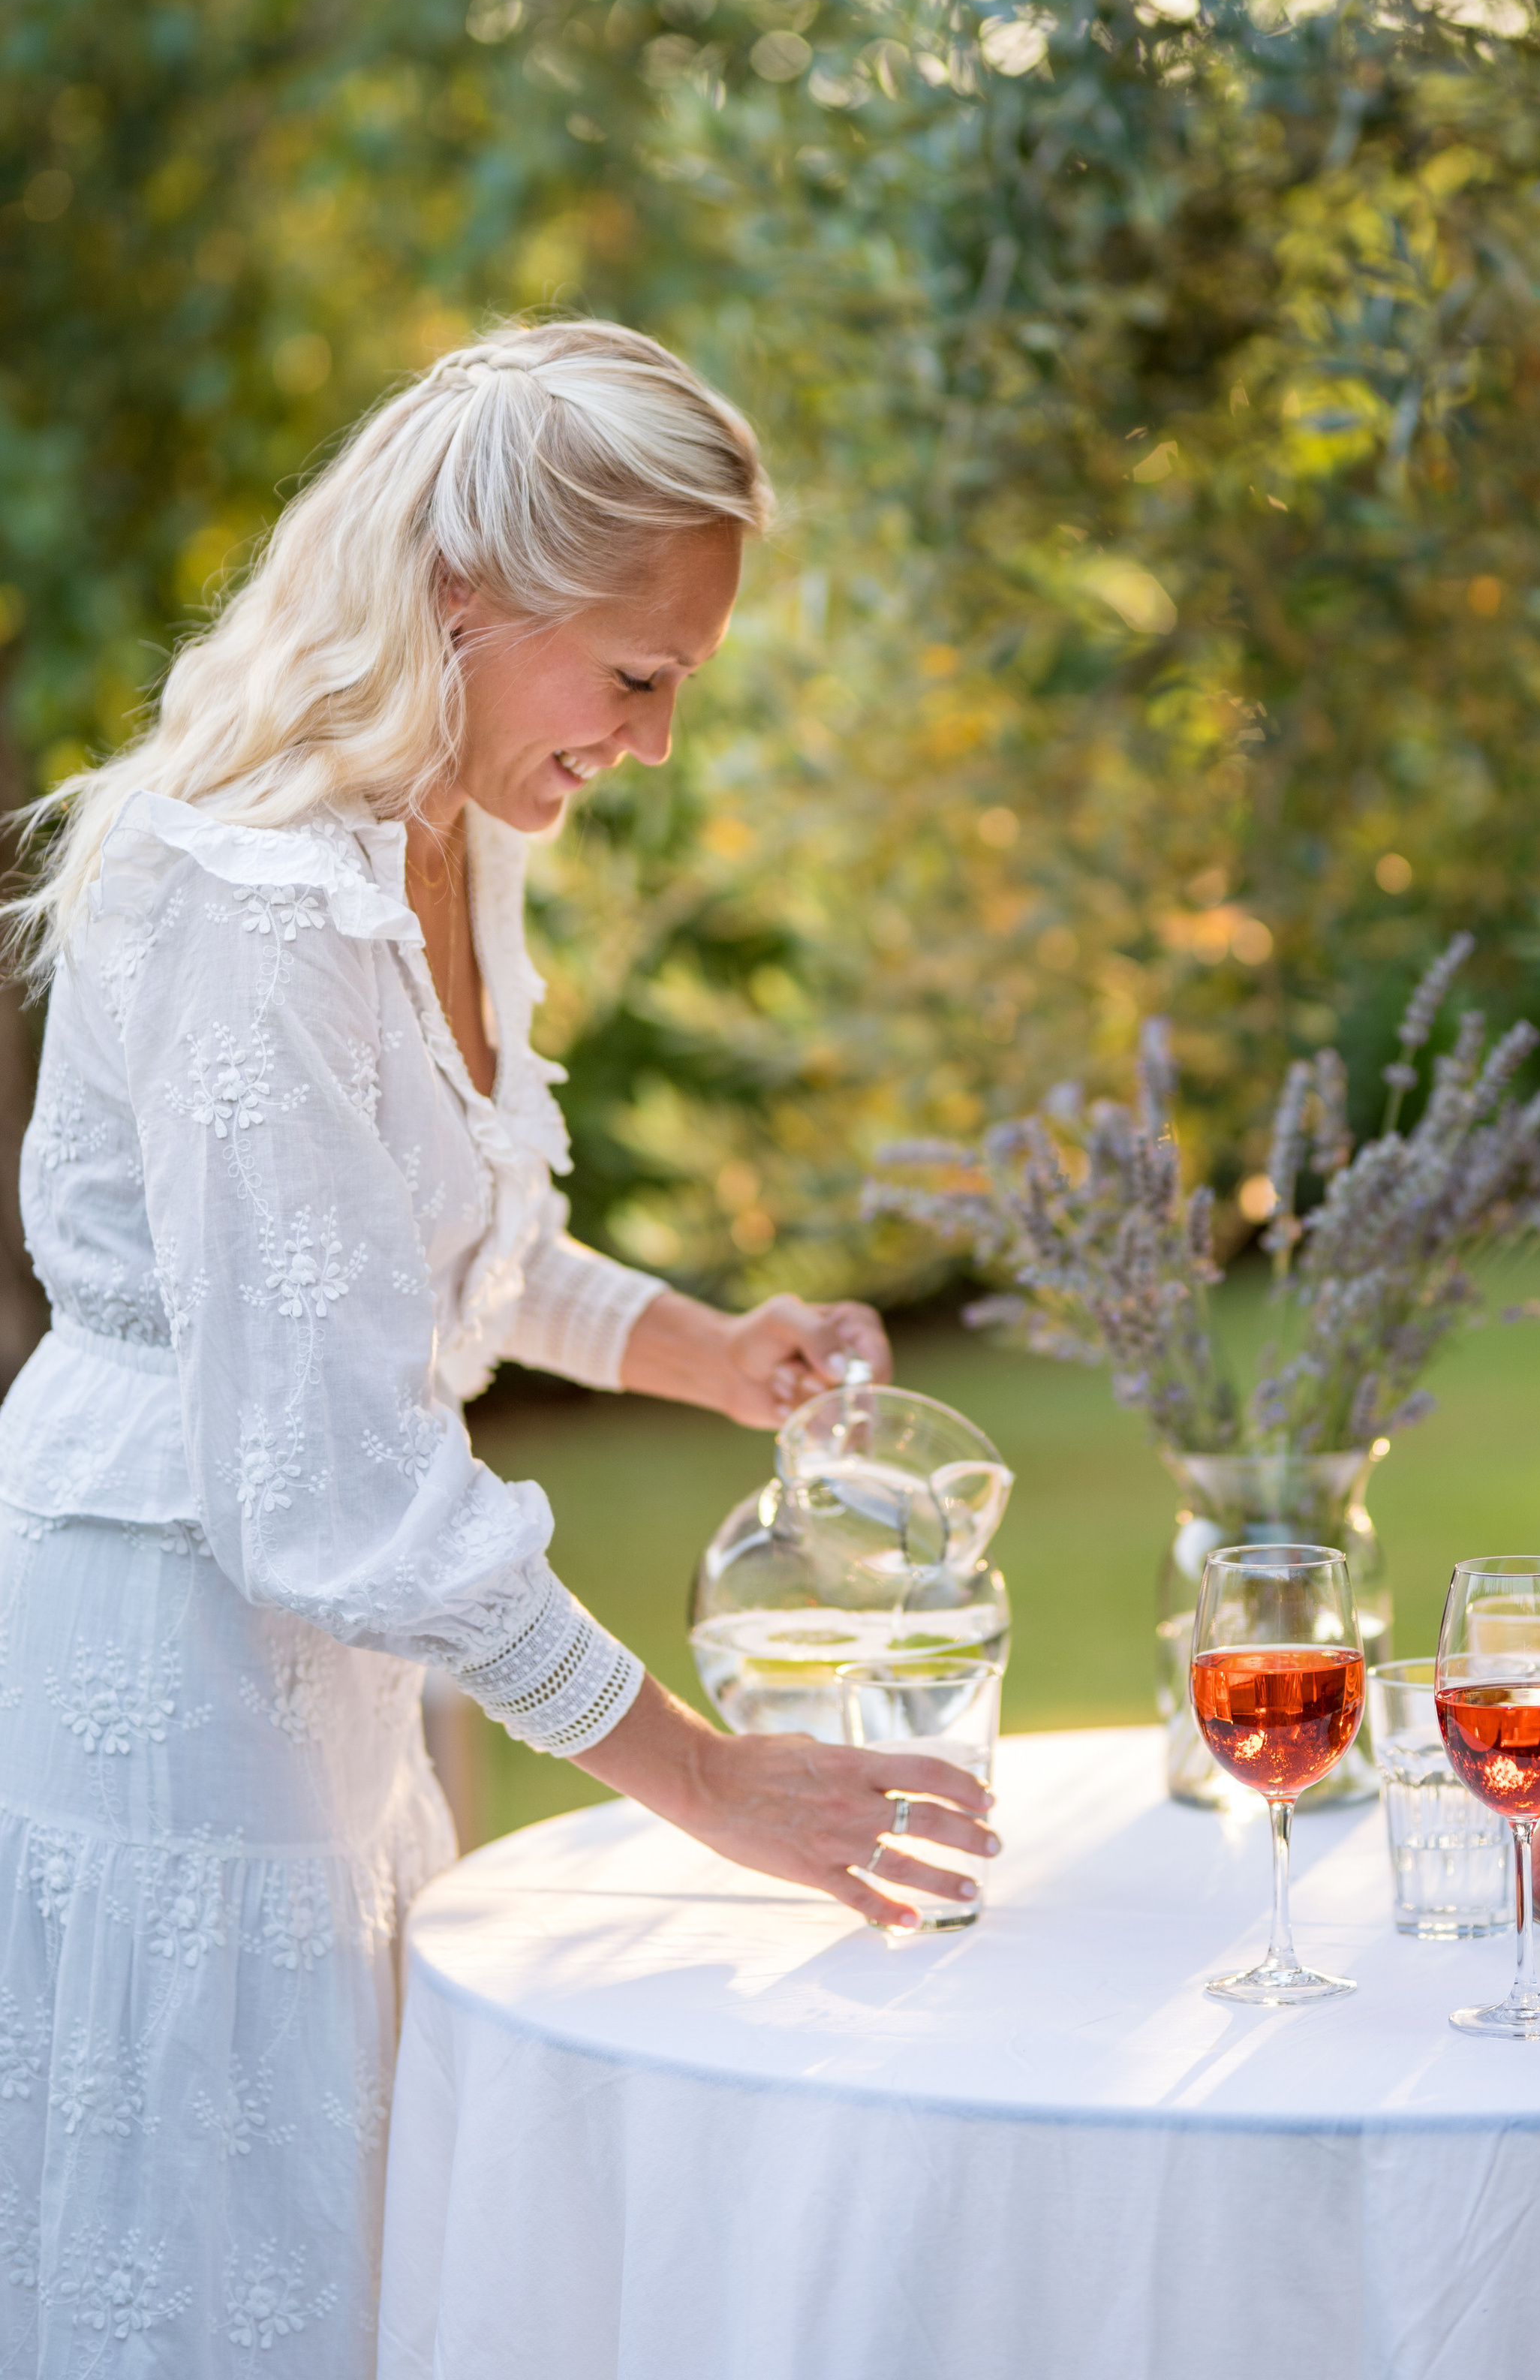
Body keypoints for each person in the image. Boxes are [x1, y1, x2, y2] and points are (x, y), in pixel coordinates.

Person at [0, 320, 995, 2375]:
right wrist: (704, 1779)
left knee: (363, 2214)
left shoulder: (452, 837)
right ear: (466, 595)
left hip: (345, 1671)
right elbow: (325, 1475)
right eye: (635, 678)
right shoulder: (247, 901)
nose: (649, 744)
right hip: (170, 1665)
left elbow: (436, 1251)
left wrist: (704, 1351)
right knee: (215, 2241)